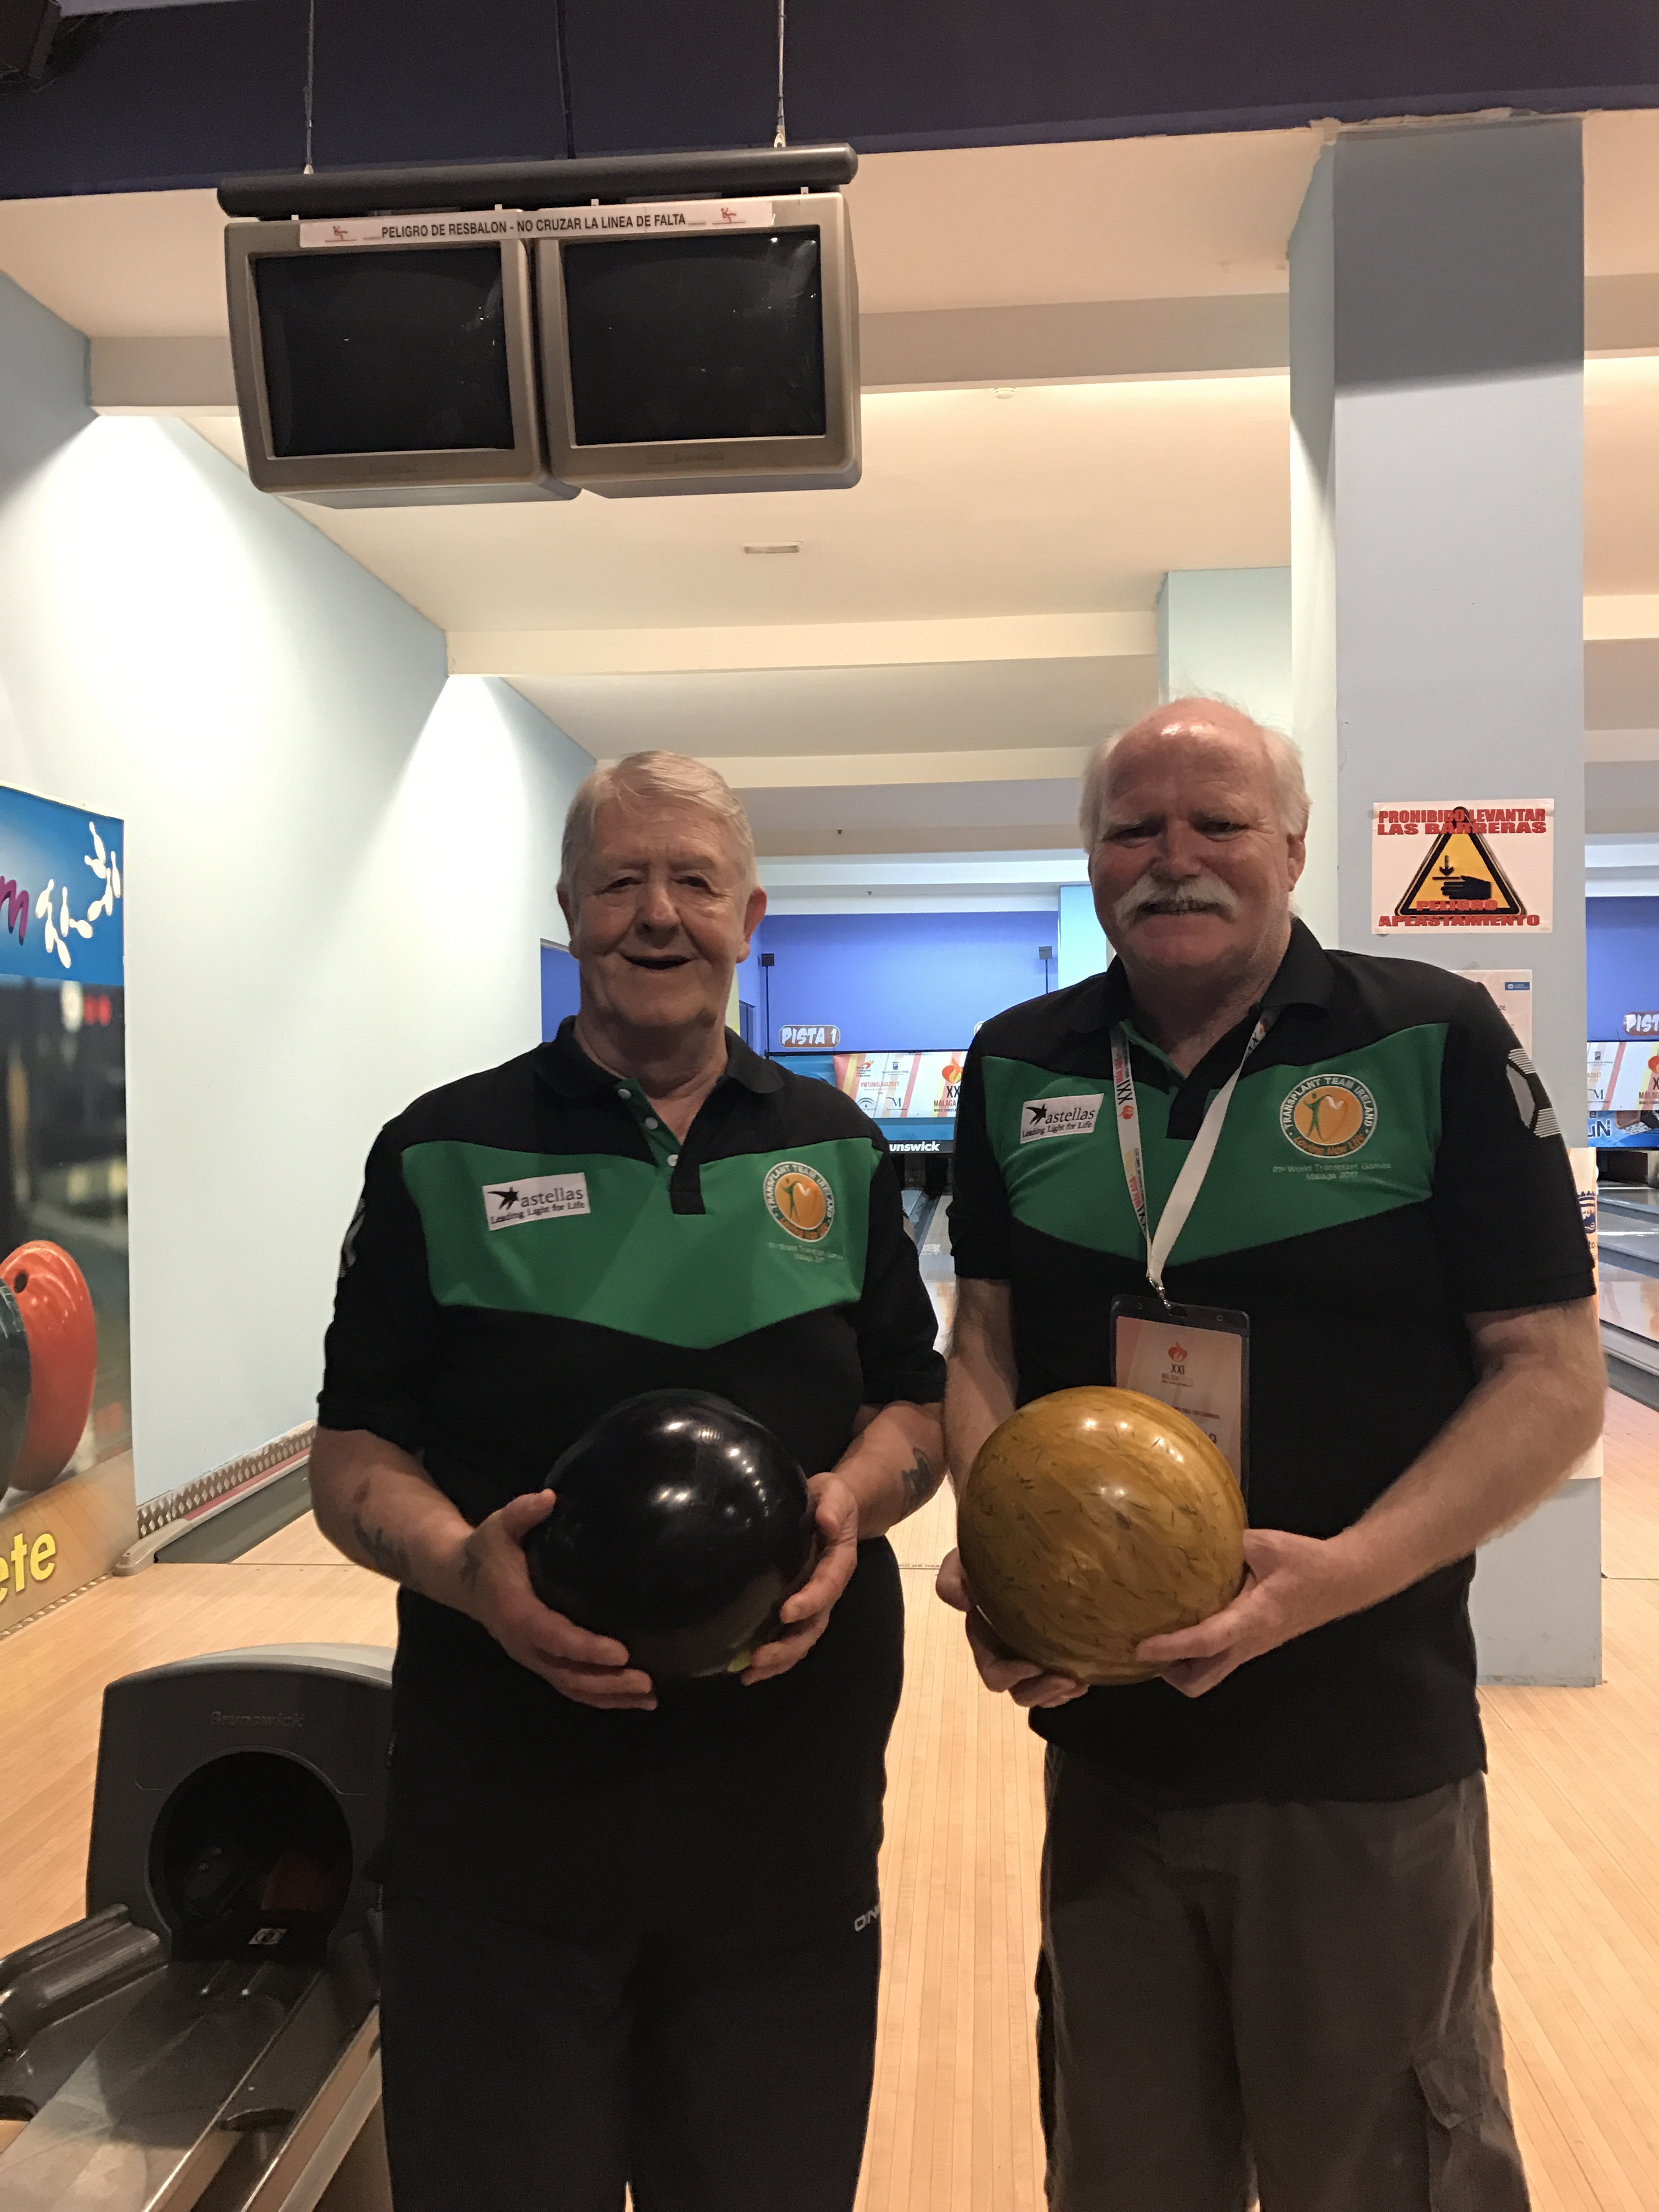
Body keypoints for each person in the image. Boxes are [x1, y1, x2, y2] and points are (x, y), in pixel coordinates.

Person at [939, 699, 1602, 2211]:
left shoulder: (1430, 1038)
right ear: (1092, 858)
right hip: (1110, 1755)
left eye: (1218, 822)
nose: (1173, 856)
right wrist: (1010, 1571)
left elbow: (1555, 1377)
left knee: (1384, 2175)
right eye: (1134, 828)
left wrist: (1335, 1580)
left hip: (1356, 1752)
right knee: (1124, 2175)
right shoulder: (1018, 1062)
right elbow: (982, 1347)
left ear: (1293, 846)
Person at [310, 751, 945, 2212]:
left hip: (783, 1811)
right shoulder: (438, 1150)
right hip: (506, 1816)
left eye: (695, 882)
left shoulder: (836, 1148)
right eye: (620, 881)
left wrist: (855, 1503)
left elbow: (911, 1407)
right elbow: (354, 1453)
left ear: (749, 917)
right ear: (570, 909)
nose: (658, 914)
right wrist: (468, 1571)